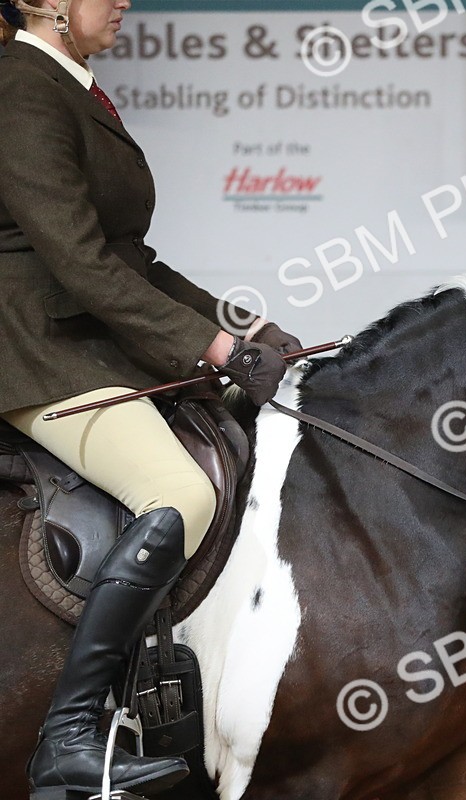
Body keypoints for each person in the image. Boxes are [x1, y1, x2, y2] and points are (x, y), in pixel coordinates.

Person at [0, 0, 302, 795]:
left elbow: (134, 261)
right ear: (42, 2)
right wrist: (219, 350)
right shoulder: (22, 88)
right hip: (39, 352)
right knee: (177, 493)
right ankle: (67, 738)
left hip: (94, 341)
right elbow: (80, 262)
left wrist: (250, 328)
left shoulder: (78, 85)